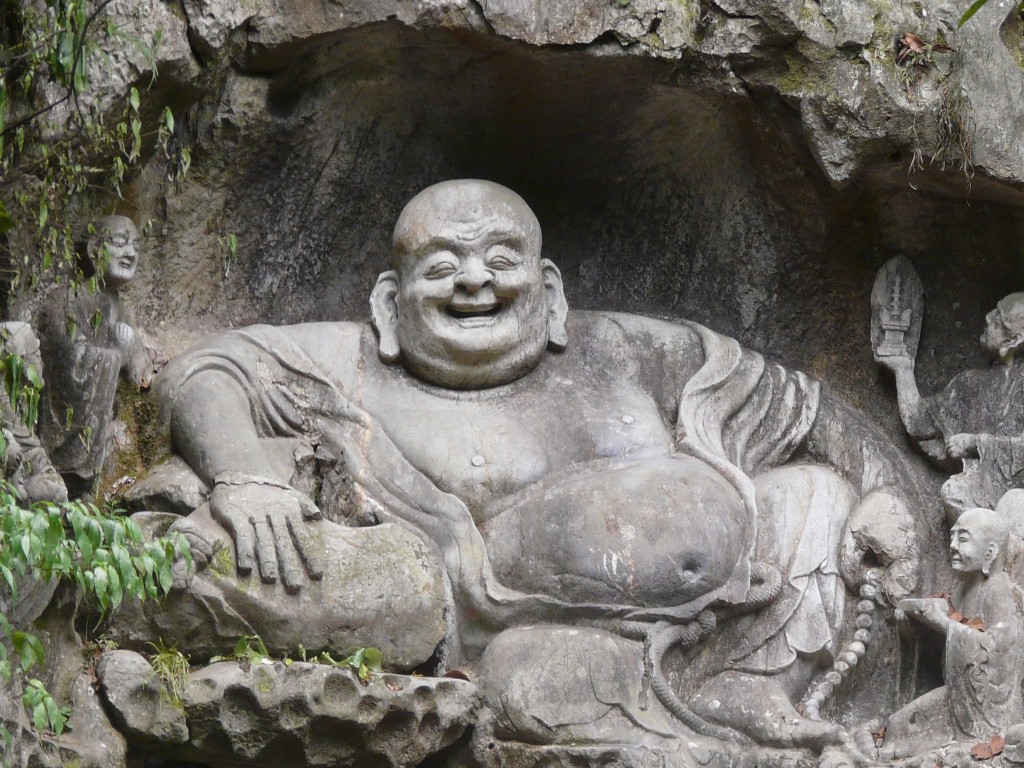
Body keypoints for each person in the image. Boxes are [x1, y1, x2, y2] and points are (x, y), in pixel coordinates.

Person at [146, 180, 922, 753]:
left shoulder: (624, 348)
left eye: (499, 258)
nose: (475, 280)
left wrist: (887, 498)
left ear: (548, 290)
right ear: (389, 304)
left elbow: (810, 411)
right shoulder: (343, 359)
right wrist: (243, 475)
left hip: (734, 616)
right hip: (515, 635)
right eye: (443, 265)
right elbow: (202, 370)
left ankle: (751, 691)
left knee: (818, 496)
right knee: (514, 672)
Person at [853, 506, 1024, 760]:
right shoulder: (964, 589)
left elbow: (999, 653)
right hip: (957, 694)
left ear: (990, 552)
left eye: (963, 539)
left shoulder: (999, 591)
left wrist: (943, 624)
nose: (953, 545)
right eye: (952, 537)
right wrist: (912, 613)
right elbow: (938, 608)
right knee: (898, 725)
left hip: (982, 709)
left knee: (902, 729)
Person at [877, 292, 1024, 519]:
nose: (987, 317)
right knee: (954, 491)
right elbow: (920, 423)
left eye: (998, 321)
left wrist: (975, 443)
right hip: (975, 499)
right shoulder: (970, 383)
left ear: (1013, 341)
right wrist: (903, 370)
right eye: (993, 311)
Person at [38, 216, 154, 497]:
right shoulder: (67, 299)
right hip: (64, 439)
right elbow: (71, 361)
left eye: (136, 246)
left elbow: (139, 363)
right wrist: (117, 354)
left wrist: (138, 361)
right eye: (120, 243)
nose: (130, 253)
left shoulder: (120, 307)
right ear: (93, 249)